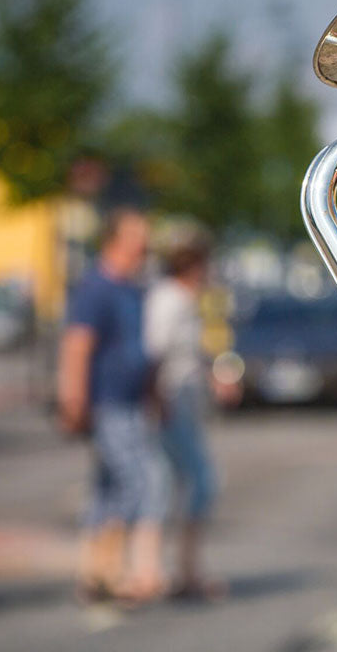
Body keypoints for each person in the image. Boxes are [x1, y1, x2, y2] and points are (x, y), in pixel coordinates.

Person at [58, 208, 166, 605]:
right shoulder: (96, 288)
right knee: (132, 482)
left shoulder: (131, 288)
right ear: (116, 241)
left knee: (107, 488)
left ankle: (93, 574)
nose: (146, 244)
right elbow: (77, 346)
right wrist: (73, 399)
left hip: (130, 401)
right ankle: (109, 571)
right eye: (139, 236)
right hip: (107, 402)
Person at [144, 224, 237, 601]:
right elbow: (154, 354)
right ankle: (179, 571)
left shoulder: (186, 299)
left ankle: (178, 570)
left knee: (175, 485)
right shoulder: (169, 299)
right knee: (193, 482)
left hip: (183, 399)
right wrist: (157, 401)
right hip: (171, 400)